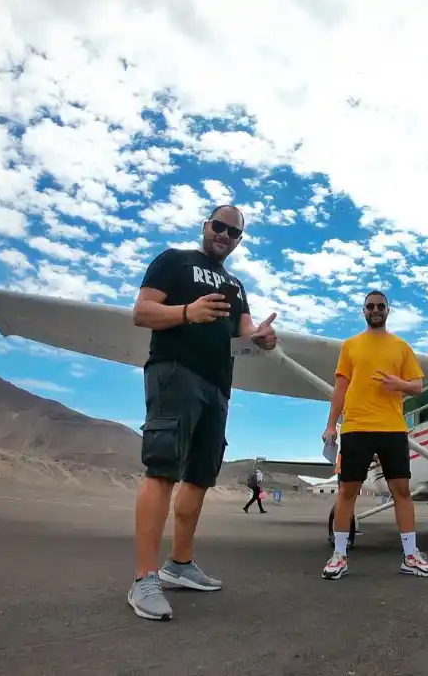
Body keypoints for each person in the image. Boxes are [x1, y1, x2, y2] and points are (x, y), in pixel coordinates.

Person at [127, 204, 278, 621]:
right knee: (162, 468)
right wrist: (186, 313)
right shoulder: (174, 261)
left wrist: (260, 338)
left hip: (218, 386)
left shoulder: (236, 284)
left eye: (234, 233)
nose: (225, 236)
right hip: (176, 372)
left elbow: (242, 332)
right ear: (205, 226)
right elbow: (141, 312)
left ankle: (179, 564)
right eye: (219, 227)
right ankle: (144, 579)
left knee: (199, 476)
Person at [320, 290, 428, 580]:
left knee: (402, 492)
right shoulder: (350, 346)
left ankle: (410, 555)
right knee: (347, 491)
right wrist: (330, 425)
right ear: (363, 311)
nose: (375, 310)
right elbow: (340, 389)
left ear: (388, 310)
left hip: (392, 428)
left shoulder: (401, 347)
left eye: (380, 306)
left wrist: (400, 383)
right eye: (370, 306)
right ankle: (339, 556)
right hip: (356, 427)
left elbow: (418, 386)